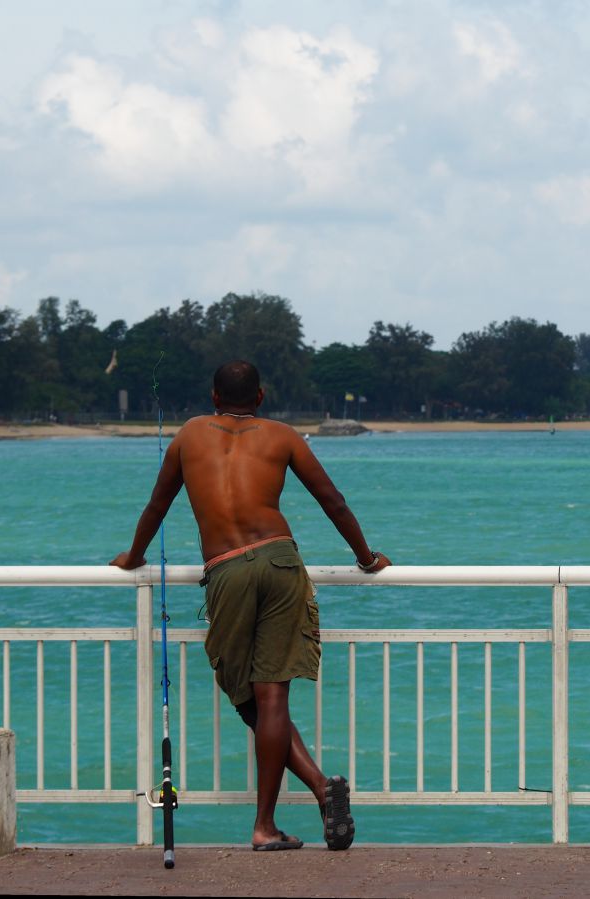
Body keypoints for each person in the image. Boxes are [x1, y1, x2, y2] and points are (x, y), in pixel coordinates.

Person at [110, 360, 391, 851]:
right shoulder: (283, 436)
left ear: (214, 396)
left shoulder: (188, 435)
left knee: (247, 697)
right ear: (260, 397)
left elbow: (157, 506)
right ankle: (307, 798)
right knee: (270, 698)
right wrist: (366, 558)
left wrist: (133, 557)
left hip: (226, 568)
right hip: (280, 560)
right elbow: (333, 500)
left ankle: (278, 817)